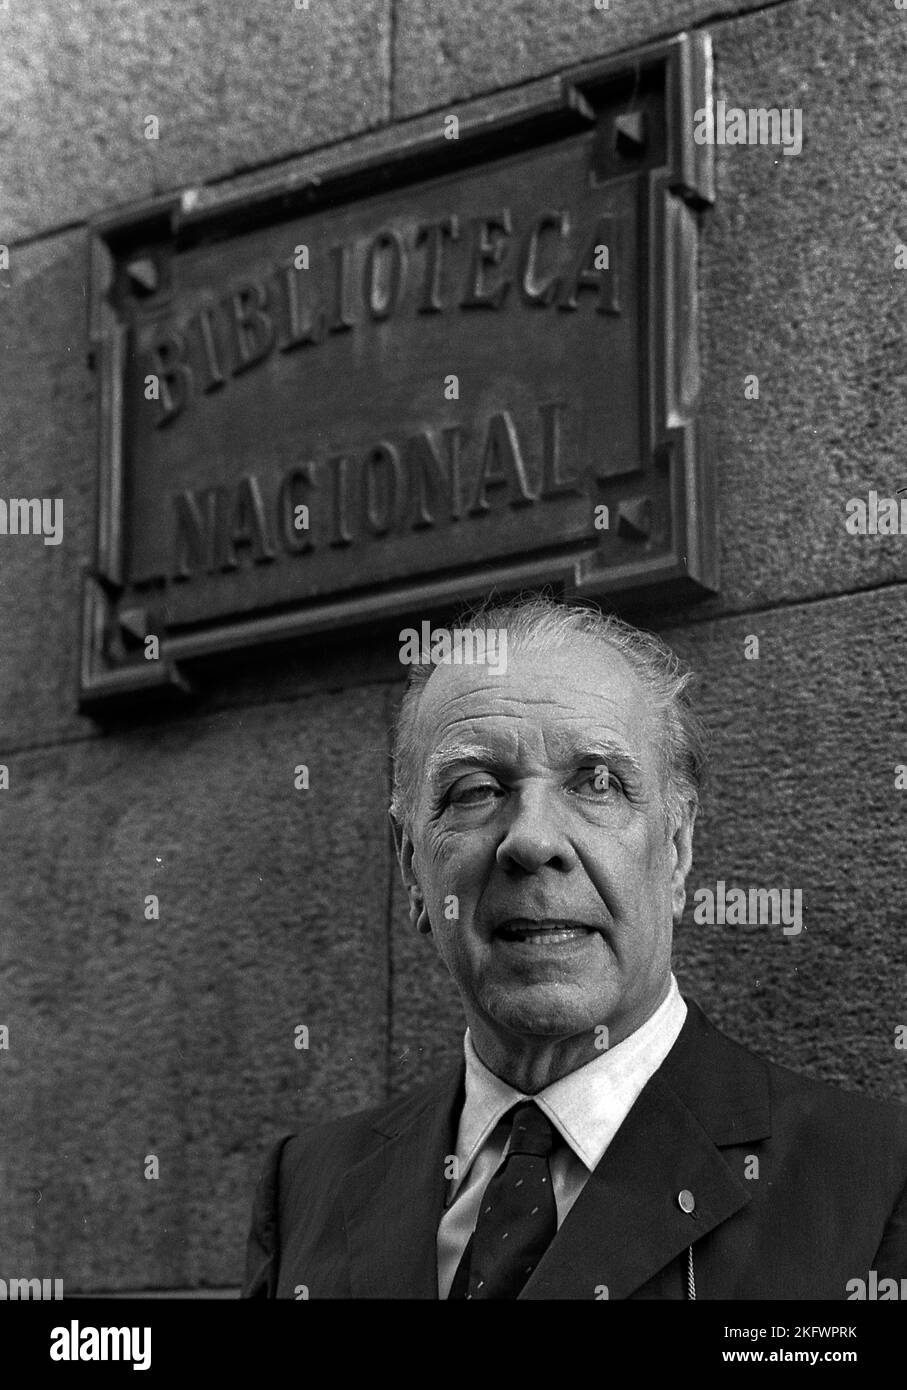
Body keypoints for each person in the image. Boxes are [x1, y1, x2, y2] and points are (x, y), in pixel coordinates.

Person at [242, 593, 907, 1299]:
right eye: (474, 791)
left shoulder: (876, 1183)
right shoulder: (305, 1188)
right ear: (411, 866)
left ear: (676, 851)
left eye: (596, 783)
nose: (531, 840)